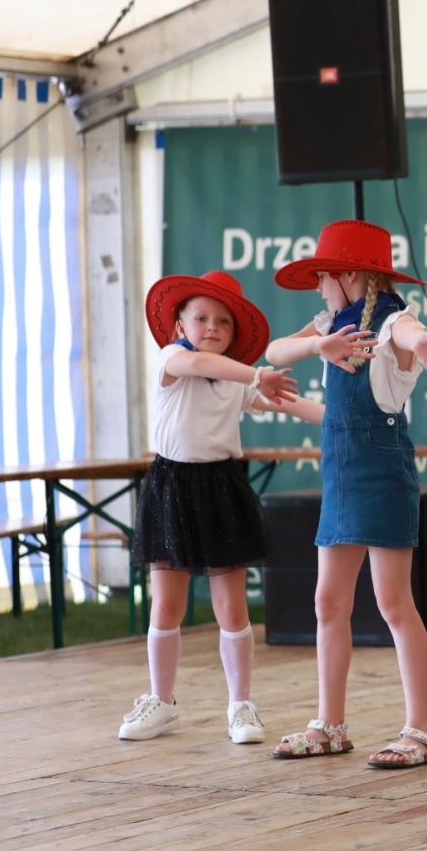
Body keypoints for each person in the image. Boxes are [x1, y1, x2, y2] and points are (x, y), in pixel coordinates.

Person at [266, 219, 427, 769]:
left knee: (394, 602)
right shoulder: (330, 324)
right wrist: (319, 346)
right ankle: (329, 724)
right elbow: (276, 351)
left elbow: (408, 333)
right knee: (327, 601)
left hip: (382, 472)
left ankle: (421, 731)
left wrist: (423, 342)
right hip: (340, 476)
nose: (317, 288)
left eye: (322, 277)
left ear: (348, 274)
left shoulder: (394, 319)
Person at [120, 270, 317, 744]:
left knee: (231, 606)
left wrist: (346, 420)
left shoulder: (236, 379)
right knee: (167, 603)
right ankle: (161, 701)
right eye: (202, 318)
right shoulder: (172, 359)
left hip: (221, 488)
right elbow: (199, 364)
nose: (212, 327)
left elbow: (289, 403)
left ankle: (240, 706)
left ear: (234, 334)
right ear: (179, 326)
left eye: (223, 321)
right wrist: (257, 374)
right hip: (171, 486)